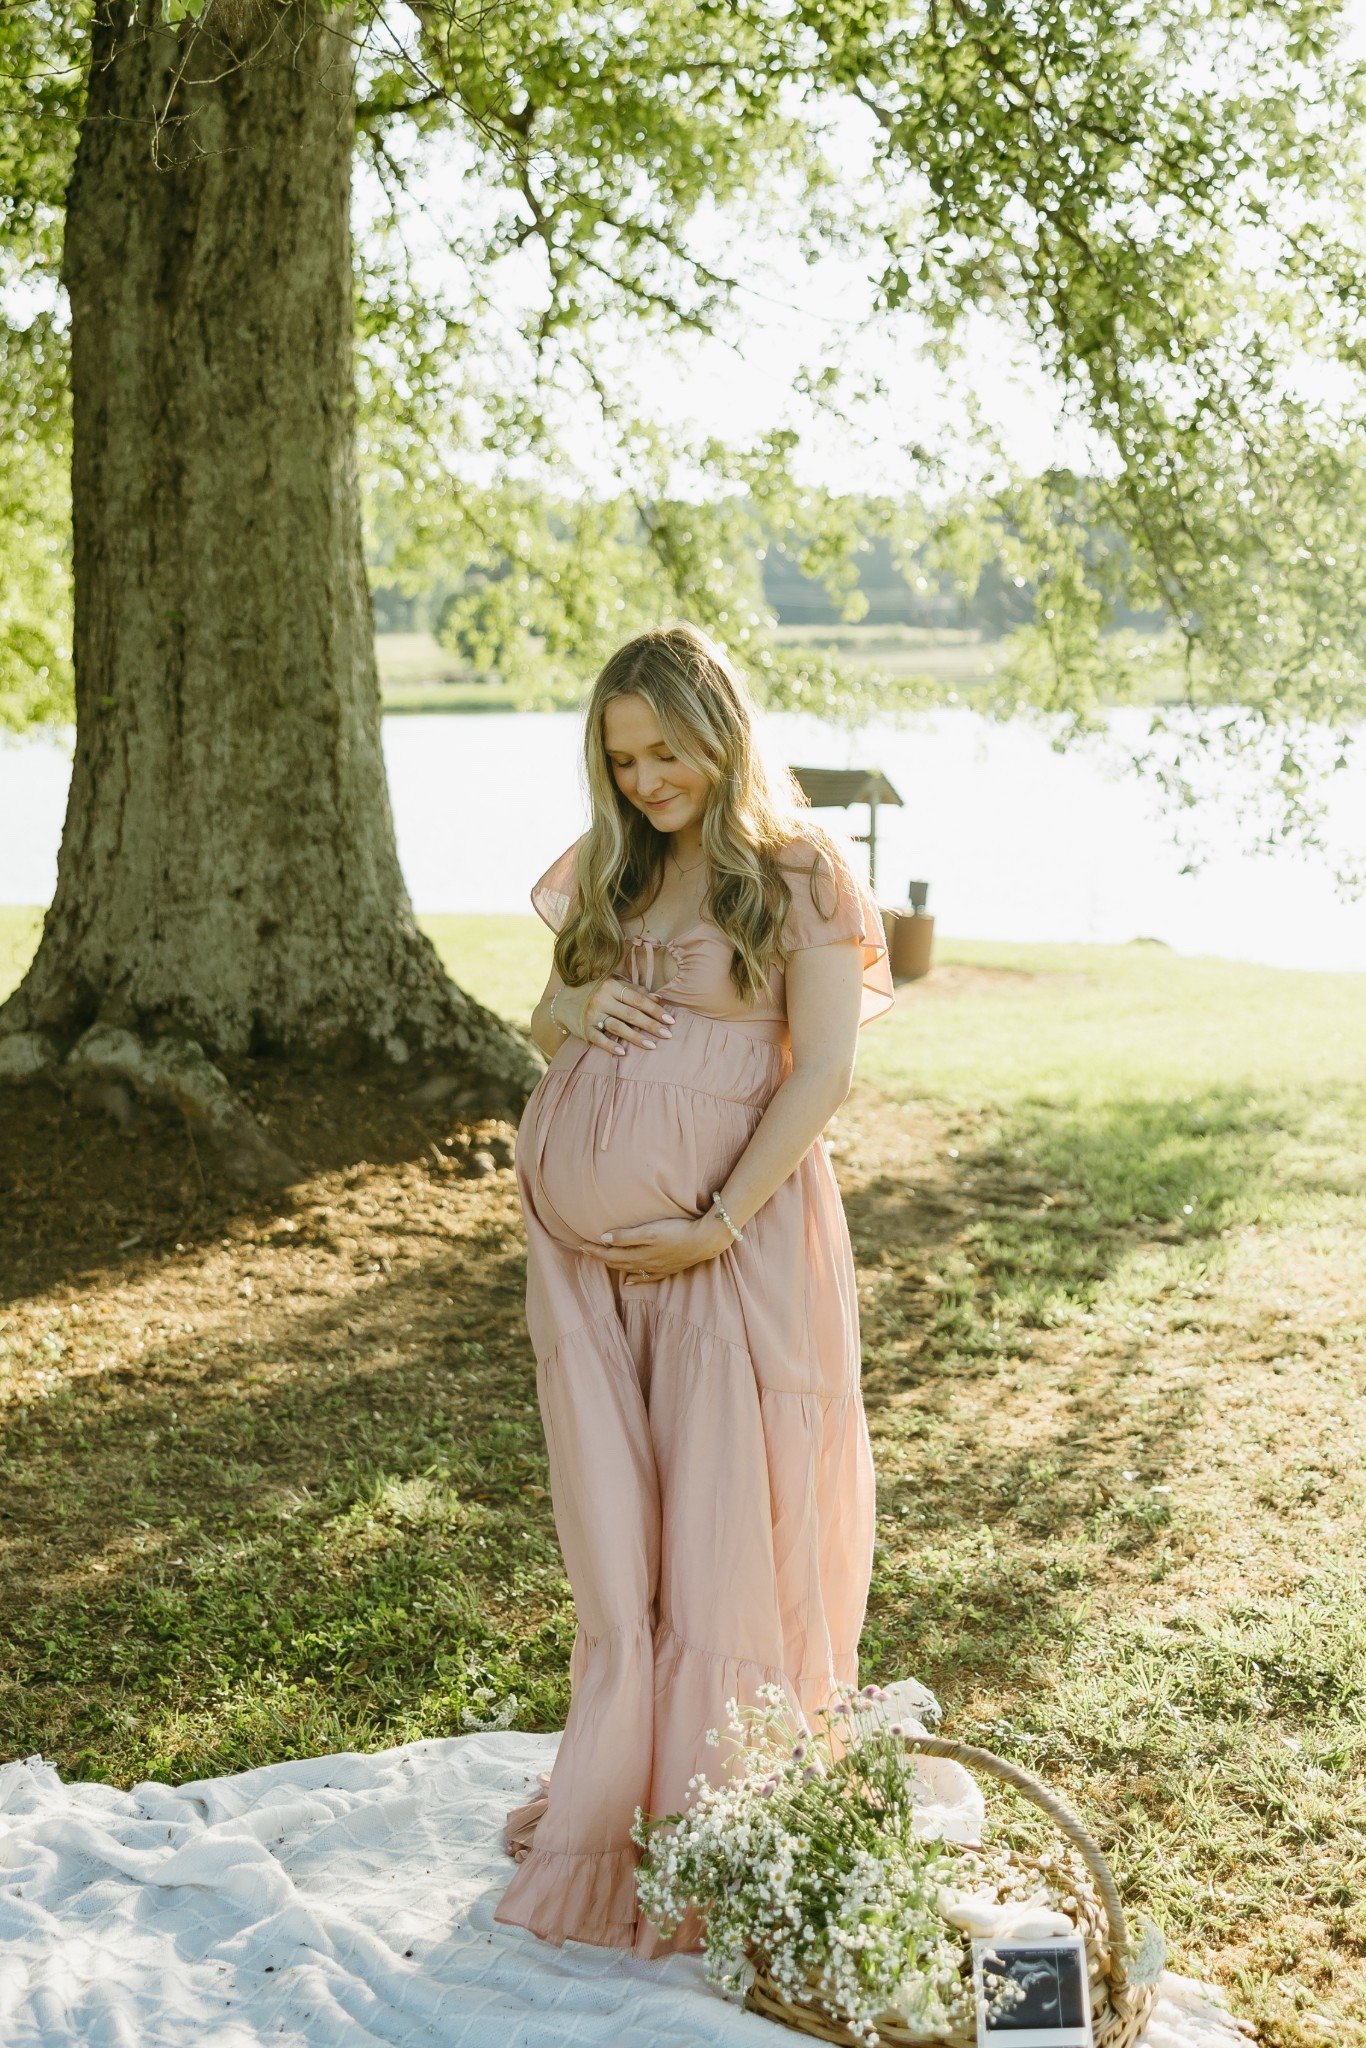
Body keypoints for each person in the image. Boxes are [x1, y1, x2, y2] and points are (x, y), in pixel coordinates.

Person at [493, 623, 894, 1957]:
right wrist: (575, 1017)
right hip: (591, 1279)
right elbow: (546, 1015)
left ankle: (718, 1811)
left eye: (665, 750)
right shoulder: (620, 866)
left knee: (723, 1526)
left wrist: (715, 1224)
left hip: (732, 1250)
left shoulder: (800, 871)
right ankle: (621, 1793)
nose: (646, 779)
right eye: (622, 759)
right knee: (623, 1535)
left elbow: (821, 1072)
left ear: (719, 731)